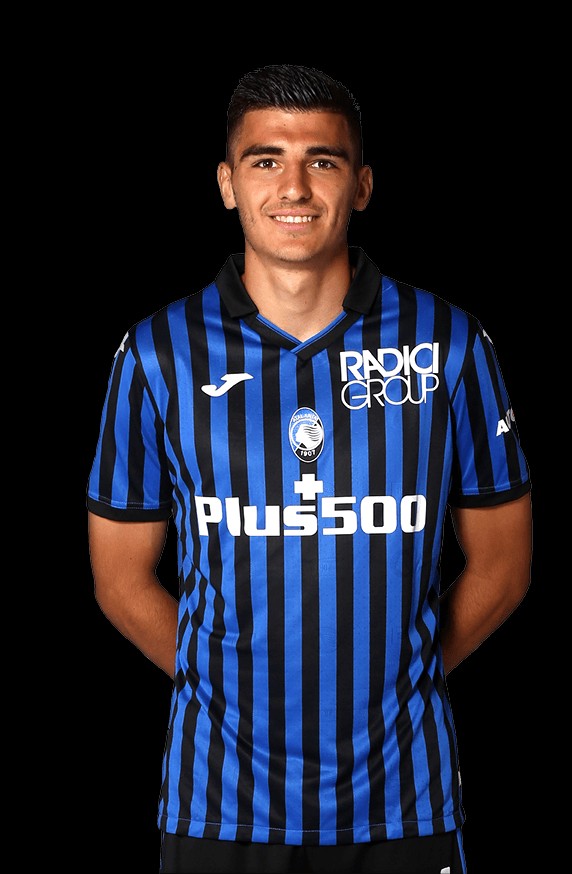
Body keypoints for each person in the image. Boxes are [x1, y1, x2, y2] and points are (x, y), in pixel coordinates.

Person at [87, 64, 532, 874]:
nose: (293, 187)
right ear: (227, 184)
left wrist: (397, 680)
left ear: (361, 185)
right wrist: (229, 691)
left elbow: (503, 565)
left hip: (405, 801)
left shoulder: (448, 343)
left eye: (321, 160)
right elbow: (119, 580)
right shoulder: (156, 353)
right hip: (219, 802)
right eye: (266, 160)